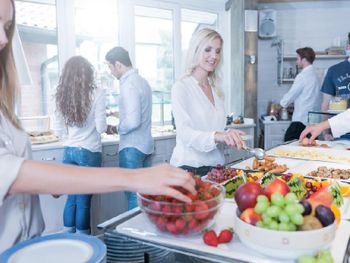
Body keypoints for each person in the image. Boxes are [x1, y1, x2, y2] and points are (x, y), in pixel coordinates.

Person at [0, 0, 195, 253]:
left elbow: (54, 134)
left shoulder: (53, 96)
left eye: (7, 26)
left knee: (74, 201)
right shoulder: (115, 88)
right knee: (86, 204)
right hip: (91, 149)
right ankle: (88, 240)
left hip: (29, 238)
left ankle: (74, 240)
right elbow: (13, 174)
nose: (5, 40)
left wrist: (53, 177)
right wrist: (135, 177)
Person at [170, 28, 246, 177]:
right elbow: (185, 133)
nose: (214, 56)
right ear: (195, 50)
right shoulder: (181, 87)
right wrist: (218, 135)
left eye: (218, 51)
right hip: (189, 168)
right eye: (208, 50)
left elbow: (210, 128)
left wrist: (227, 134)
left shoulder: (216, 89)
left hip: (215, 168)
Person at [54, 56, 107, 234]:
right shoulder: (97, 92)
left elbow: (58, 129)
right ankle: (85, 244)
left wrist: (70, 138)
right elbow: (101, 128)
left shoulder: (62, 93)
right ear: (89, 74)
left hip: (69, 150)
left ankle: (69, 243)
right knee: (84, 201)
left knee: (71, 198)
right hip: (89, 151)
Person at [105, 47, 154, 210]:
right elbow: (135, 111)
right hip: (145, 146)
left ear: (118, 64)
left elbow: (133, 121)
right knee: (144, 196)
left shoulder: (128, 85)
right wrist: (115, 113)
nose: (110, 71)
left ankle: (134, 234)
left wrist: (116, 128)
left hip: (131, 148)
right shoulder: (142, 81)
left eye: (110, 67)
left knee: (133, 196)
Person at [279, 47, 320, 141]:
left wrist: (281, 104)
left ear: (304, 60)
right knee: (309, 149)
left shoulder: (302, 76)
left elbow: (291, 94)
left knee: (287, 146)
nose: (296, 62)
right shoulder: (317, 75)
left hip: (301, 121)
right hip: (313, 122)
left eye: (298, 59)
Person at [320, 32, 350, 140]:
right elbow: (325, 104)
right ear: (348, 47)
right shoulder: (334, 71)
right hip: (340, 135)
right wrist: (325, 132)